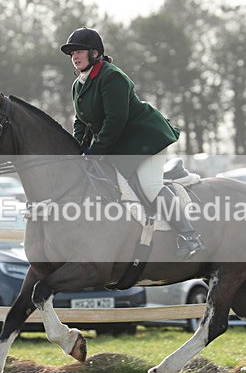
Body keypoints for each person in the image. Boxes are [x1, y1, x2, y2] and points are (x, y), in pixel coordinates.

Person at [60, 26, 205, 260]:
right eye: (71, 53)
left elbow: (115, 121)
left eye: (79, 51)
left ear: (94, 53)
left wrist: (94, 152)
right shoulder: (78, 85)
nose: (74, 57)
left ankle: (190, 237)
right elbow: (82, 122)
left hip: (145, 139)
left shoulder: (112, 76)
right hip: (122, 146)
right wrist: (77, 150)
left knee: (149, 186)